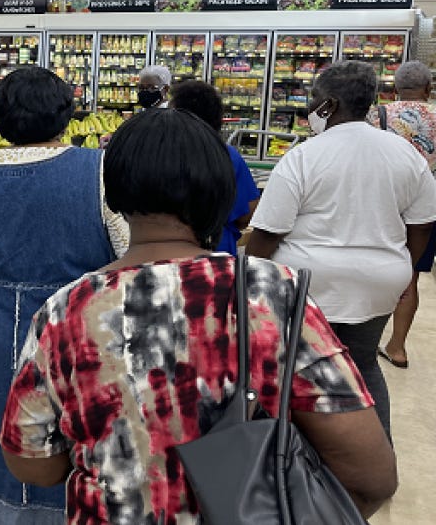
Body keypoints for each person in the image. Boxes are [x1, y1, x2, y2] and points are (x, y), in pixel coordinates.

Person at [0, 108, 397, 524]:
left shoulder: (65, 310)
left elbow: (32, 464)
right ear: (221, 195)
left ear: (112, 194)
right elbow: (370, 476)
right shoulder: (271, 292)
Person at [0, 66, 128, 523]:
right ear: (66, 115)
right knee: (73, 440)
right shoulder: (98, 173)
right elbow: (132, 256)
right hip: (78, 340)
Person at [247, 60, 436, 438]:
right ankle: (376, 458)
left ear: (329, 104)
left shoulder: (304, 156)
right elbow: (423, 224)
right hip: (380, 282)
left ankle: (288, 456)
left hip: (309, 285)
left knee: (293, 367)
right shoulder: (405, 154)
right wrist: (404, 267)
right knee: (363, 364)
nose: (309, 107)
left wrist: (248, 273)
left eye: (314, 99)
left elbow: (269, 232)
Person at [366, 60, 436, 369]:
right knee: (410, 276)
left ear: (394, 90)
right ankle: (397, 347)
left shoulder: (376, 116)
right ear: (429, 88)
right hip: (427, 207)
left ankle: (361, 339)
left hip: (383, 201)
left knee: (369, 267)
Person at [170, 80, 260, 254]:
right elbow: (247, 214)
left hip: (164, 255)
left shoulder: (161, 152)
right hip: (216, 251)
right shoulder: (227, 155)